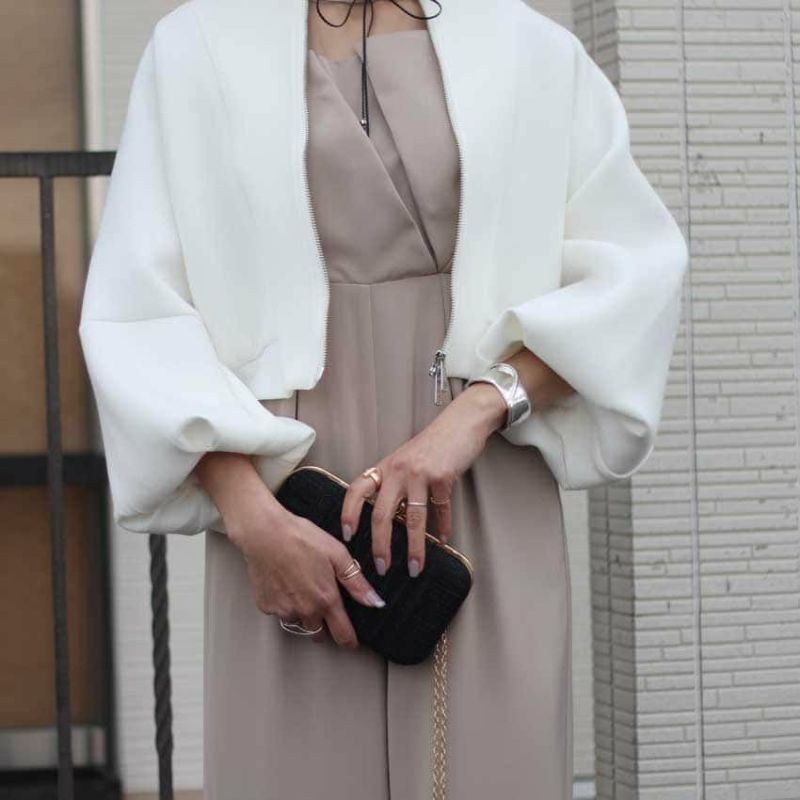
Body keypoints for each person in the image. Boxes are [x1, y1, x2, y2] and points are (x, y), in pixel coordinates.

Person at [78, 0, 689, 797]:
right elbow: (139, 309)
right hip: (286, 494)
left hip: (480, 475)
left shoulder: (527, 46)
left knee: (491, 765)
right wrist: (251, 519)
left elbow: (631, 271)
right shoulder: (197, 48)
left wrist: (479, 410)